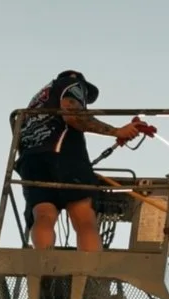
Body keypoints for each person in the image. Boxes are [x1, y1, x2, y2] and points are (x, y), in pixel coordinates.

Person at [14, 70, 143, 252]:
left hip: (30, 161)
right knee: (83, 217)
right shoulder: (71, 84)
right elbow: (72, 113)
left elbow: (18, 133)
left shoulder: (37, 101)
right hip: (63, 156)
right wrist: (117, 131)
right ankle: (89, 270)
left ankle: (42, 264)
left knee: (43, 214)